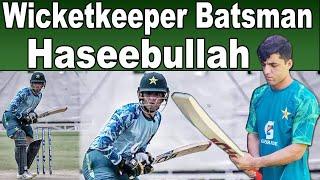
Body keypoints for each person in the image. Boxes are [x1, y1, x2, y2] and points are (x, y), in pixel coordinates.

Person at [231, 35, 320, 179]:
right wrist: (255, 165)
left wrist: (255, 161)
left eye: (273, 65)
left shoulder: (304, 99)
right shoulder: (259, 94)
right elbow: (253, 133)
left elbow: (297, 150)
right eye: (263, 64)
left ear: (289, 63)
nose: (266, 71)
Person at [82, 72, 170, 180]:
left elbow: (139, 146)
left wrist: (142, 157)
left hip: (122, 164)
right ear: (140, 94)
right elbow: (102, 143)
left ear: (163, 97)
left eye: (157, 94)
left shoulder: (157, 119)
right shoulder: (128, 113)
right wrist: (122, 163)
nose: (152, 99)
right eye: (148, 93)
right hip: (99, 159)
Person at [2, 72, 46, 179]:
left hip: (22, 120)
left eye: (39, 83)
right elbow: (13, 108)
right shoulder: (24, 92)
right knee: (20, 136)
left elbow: (31, 110)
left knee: (33, 143)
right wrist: (23, 116)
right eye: (35, 83)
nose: (37, 85)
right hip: (10, 117)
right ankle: (21, 173)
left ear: (43, 84)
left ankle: (25, 170)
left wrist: (32, 115)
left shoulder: (39, 95)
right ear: (31, 83)